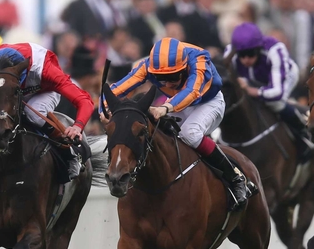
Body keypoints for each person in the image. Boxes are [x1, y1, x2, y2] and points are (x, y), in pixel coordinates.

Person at [101, 37, 247, 207]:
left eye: (173, 76)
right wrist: (105, 110)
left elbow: (192, 92)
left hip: (208, 101)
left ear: (185, 67)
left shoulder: (199, 60)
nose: (168, 83)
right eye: (161, 78)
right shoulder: (147, 65)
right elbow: (116, 89)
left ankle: (235, 177)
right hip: (177, 103)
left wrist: (165, 108)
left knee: (189, 134)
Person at [0, 42, 94, 180]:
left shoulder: (46, 69)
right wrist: (1, 106)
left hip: (43, 92)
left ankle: (68, 153)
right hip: (6, 95)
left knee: (34, 113)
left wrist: (77, 127)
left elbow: (85, 101)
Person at [224, 22, 314, 162]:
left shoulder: (275, 50)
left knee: (275, 104)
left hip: (284, 77)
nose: (246, 59)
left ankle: (304, 136)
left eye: (251, 54)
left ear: (259, 48)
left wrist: (253, 91)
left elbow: (277, 92)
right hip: (252, 80)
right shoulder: (229, 52)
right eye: (242, 55)